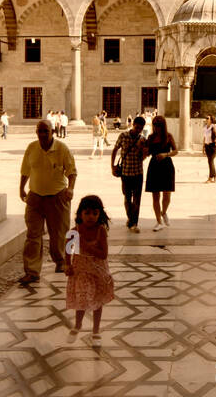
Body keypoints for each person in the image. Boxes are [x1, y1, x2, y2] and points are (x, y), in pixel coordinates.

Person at [18, 119, 76, 285]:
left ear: (53, 132)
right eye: (39, 131)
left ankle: (62, 262)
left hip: (57, 196)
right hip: (35, 196)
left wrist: (70, 188)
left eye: (46, 131)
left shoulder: (62, 148)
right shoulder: (32, 148)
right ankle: (32, 271)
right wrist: (21, 188)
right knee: (33, 234)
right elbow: (25, 170)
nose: (42, 135)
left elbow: (72, 171)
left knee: (59, 234)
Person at [65, 195, 114, 343]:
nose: (90, 217)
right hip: (81, 272)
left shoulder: (101, 231)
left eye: (94, 213)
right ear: (80, 214)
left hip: (98, 272)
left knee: (97, 301)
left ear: (100, 215)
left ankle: (96, 330)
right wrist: (68, 264)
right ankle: (78, 324)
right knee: (81, 298)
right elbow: (68, 249)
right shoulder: (74, 231)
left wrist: (86, 246)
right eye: (87, 213)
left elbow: (103, 254)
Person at [112, 116, 148, 231]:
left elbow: (143, 157)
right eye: (137, 127)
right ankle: (130, 218)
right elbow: (115, 149)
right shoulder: (123, 136)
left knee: (137, 199)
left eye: (140, 128)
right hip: (125, 173)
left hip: (138, 173)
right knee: (127, 198)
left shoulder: (142, 139)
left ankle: (133, 223)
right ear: (133, 125)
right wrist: (112, 166)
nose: (138, 130)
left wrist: (142, 149)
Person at [145, 115, 177, 230]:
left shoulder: (168, 137)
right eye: (154, 125)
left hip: (166, 165)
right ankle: (159, 221)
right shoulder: (151, 137)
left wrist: (165, 154)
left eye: (158, 125)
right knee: (155, 195)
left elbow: (175, 151)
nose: (156, 128)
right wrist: (144, 149)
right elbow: (147, 153)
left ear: (163, 126)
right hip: (154, 166)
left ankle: (164, 212)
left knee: (167, 194)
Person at [203, 116, 216, 181]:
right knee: (210, 161)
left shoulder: (214, 126)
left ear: (211, 119)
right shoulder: (205, 127)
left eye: (207, 118)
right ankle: (214, 176)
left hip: (213, 146)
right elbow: (204, 137)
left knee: (210, 161)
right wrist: (203, 147)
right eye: (206, 118)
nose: (206, 119)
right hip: (207, 146)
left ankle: (210, 178)